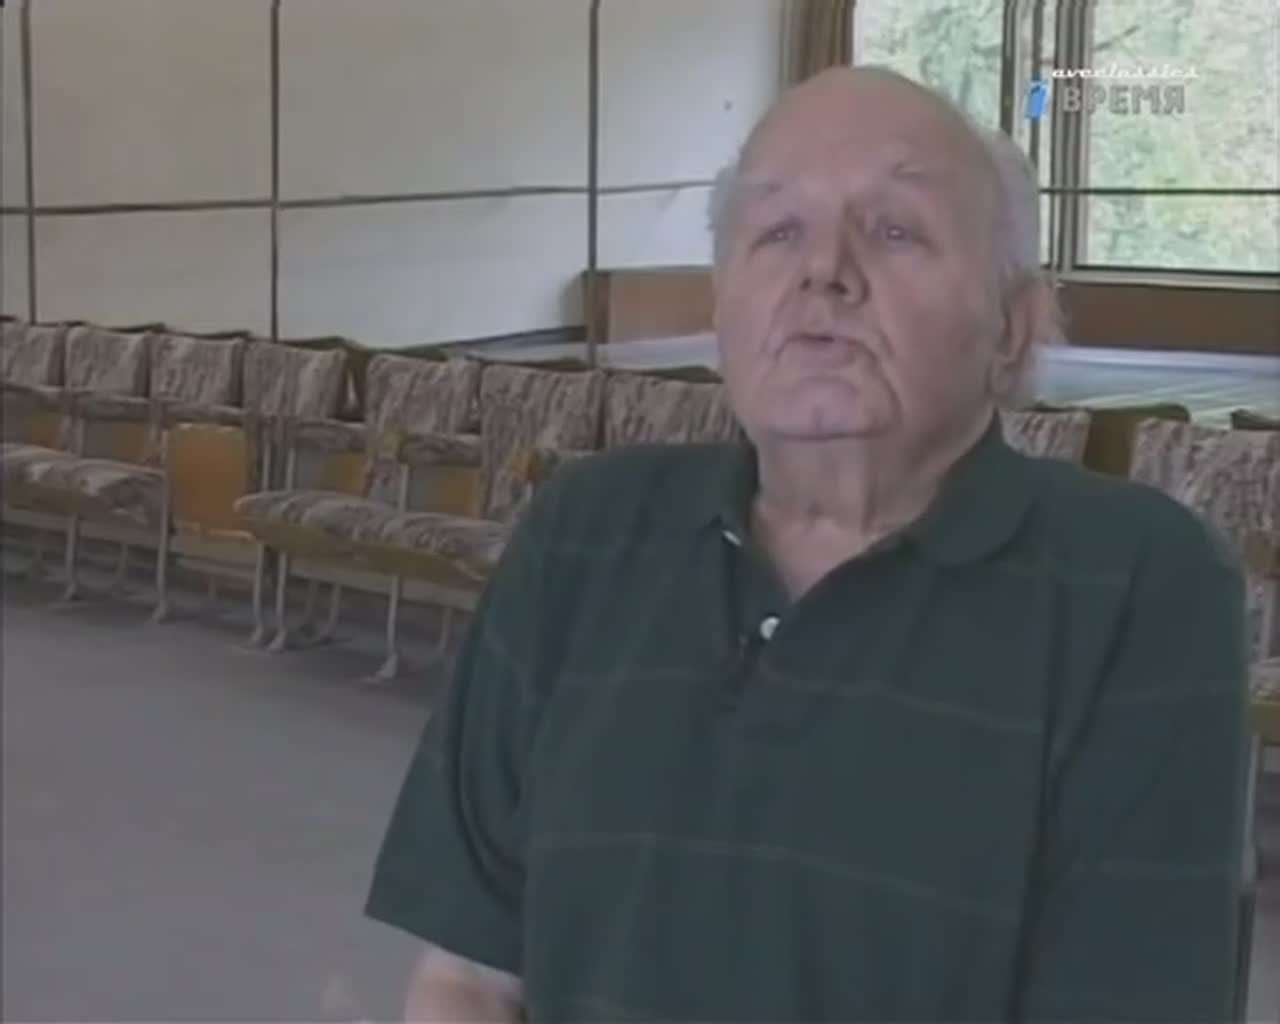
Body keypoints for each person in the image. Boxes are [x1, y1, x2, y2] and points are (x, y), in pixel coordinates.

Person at [365, 66, 1250, 1022]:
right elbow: (465, 978)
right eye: (778, 230)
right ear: (721, 308)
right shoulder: (582, 534)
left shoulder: (1136, 583)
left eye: (896, 229)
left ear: (1011, 327)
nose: (822, 268)